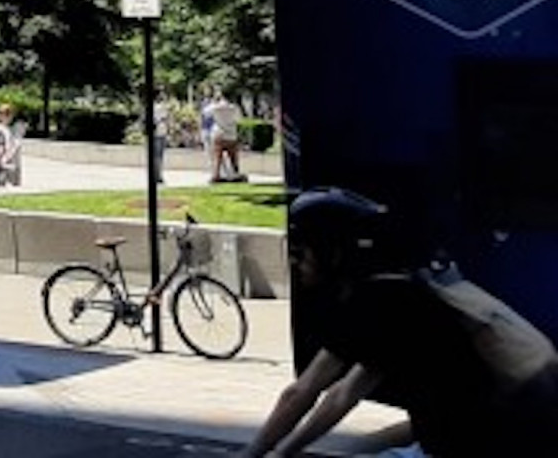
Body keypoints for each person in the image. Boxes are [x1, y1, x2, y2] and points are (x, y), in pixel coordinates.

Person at [237, 188, 558, 457]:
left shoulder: (377, 304)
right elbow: (344, 393)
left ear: (332, 251)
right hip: (500, 436)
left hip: (477, 444)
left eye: (302, 251)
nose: (297, 263)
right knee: (362, 449)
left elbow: (303, 392)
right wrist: (283, 452)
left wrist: (259, 454)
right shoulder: (404, 291)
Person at [204, 88, 244, 182]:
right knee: (233, 157)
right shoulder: (234, 108)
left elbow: (206, 112)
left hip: (219, 134)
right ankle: (235, 173)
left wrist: (214, 101)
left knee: (217, 158)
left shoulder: (216, 107)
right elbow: (239, 120)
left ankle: (216, 175)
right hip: (231, 134)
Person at [0, 102, 26, 188]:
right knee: (1, 184)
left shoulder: (17, 127)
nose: (5, 116)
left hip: (13, 162)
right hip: (0, 162)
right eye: (2, 114)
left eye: (7, 114)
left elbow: (17, 144)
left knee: (14, 185)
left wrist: (7, 157)